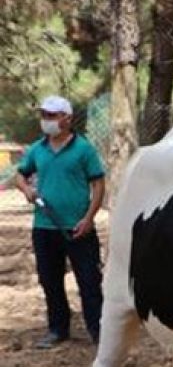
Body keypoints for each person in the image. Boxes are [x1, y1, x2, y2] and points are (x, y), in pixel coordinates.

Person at [14, 95, 106, 349]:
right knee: (50, 280)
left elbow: (98, 184)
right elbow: (20, 175)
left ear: (67, 118)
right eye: (44, 115)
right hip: (45, 227)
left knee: (89, 281)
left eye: (52, 115)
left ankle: (98, 330)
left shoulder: (83, 149)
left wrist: (89, 218)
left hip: (78, 228)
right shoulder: (37, 149)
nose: (47, 120)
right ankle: (57, 329)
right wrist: (27, 190)